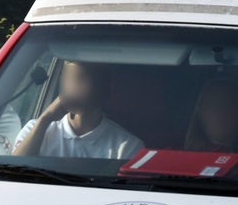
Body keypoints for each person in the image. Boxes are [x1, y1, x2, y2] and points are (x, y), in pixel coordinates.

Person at [11, 60, 142, 159]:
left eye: (93, 80)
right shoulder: (35, 129)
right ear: (62, 82)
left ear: (106, 89)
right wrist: (45, 119)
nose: (85, 88)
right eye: (76, 79)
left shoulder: (127, 146)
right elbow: (13, 172)